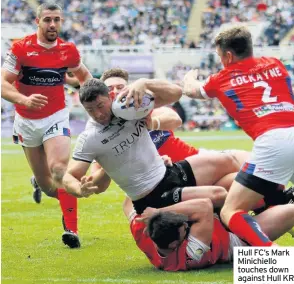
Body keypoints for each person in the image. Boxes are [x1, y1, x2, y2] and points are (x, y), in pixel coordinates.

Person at [180, 26, 294, 247]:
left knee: (231, 210)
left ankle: (271, 256)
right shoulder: (276, 64)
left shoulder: (222, 78)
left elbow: (192, 90)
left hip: (273, 141)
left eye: (219, 56)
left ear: (227, 56)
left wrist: (189, 77)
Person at [62, 78, 247, 215]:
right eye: (90, 110)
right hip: (151, 195)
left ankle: (270, 191)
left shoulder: (128, 109)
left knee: (229, 160)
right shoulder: (90, 137)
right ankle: (227, 229)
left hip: (168, 171)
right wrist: (79, 190)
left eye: (100, 106)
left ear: (110, 98)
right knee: (220, 194)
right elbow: (69, 176)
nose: (98, 114)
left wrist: (145, 83)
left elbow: (175, 93)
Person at [1, 3, 92, 248]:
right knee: (50, 187)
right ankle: (37, 182)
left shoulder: (68, 50)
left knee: (60, 171)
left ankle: (71, 230)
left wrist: (96, 101)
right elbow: (3, 83)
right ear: (38, 21)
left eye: (57, 20)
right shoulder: (21, 48)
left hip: (56, 116)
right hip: (26, 121)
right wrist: (24, 99)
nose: (52, 25)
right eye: (48, 20)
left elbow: (85, 78)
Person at [126, 198, 294, 271]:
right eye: (185, 229)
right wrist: (158, 210)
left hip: (214, 221)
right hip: (236, 240)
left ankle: (264, 202)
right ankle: (269, 203)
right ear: (174, 245)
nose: (186, 225)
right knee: (291, 211)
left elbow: (130, 201)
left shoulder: (143, 231)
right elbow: (204, 206)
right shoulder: (192, 255)